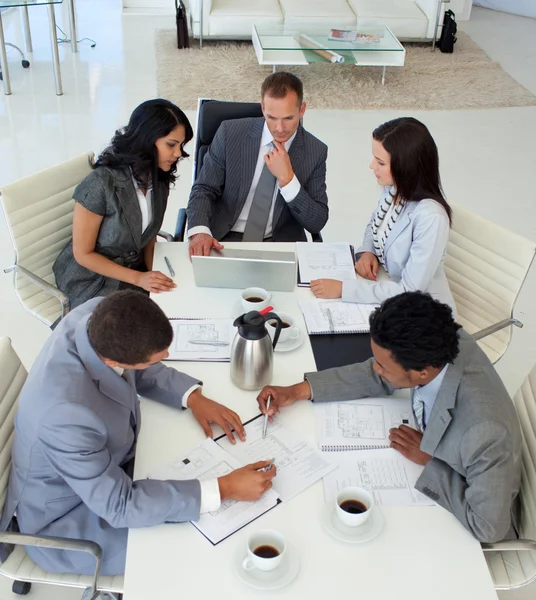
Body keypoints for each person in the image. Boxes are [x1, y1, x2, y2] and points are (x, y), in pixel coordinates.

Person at [0, 291, 276, 575]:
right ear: (111, 361)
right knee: (199, 549)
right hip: (67, 518)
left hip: (103, 469)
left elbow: (137, 368)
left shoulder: (99, 314)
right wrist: (225, 487)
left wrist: (192, 397)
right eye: (154, 358)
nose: (165, 359)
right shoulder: (65, 415)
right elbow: (121, 506)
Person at [257, 292, 521, 543]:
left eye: (382, 364)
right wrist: (297, 391)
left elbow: (488, 527)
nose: (375, 368)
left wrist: (430, 461)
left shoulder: (485, 432)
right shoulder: (441, 341)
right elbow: (379, 374)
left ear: (422, 372)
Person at [53, 99, 194, 309]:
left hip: (132, 271)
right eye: (171, 144)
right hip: (93, 279)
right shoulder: (101, 183)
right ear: (147, 140)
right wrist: (139, 278)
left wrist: (159, 274)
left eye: (181, 146)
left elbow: (148, 236)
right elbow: (83, 254)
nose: (178, 154)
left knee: (178, 303)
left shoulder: (159, 179)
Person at [310, 118, 456, 314]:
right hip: (387, 292)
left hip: (423, 314)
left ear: (406, 166)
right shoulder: (394, 188)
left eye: (380, 162)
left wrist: (343, 289)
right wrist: (368, 251)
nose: (372, 166)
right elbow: (375, 224)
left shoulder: (431, 218)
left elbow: (409, 291)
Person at [186, 71, 328, 255]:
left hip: (278, 245)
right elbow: (204, 189)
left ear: (302, 110)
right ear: (262, 108)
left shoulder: (315, 151)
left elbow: (317, 221)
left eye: (288, 118)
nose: (279, 128)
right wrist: (199, 232)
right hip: (223, 238)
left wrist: (288, 179)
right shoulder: (230, 133)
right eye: (271, 117)